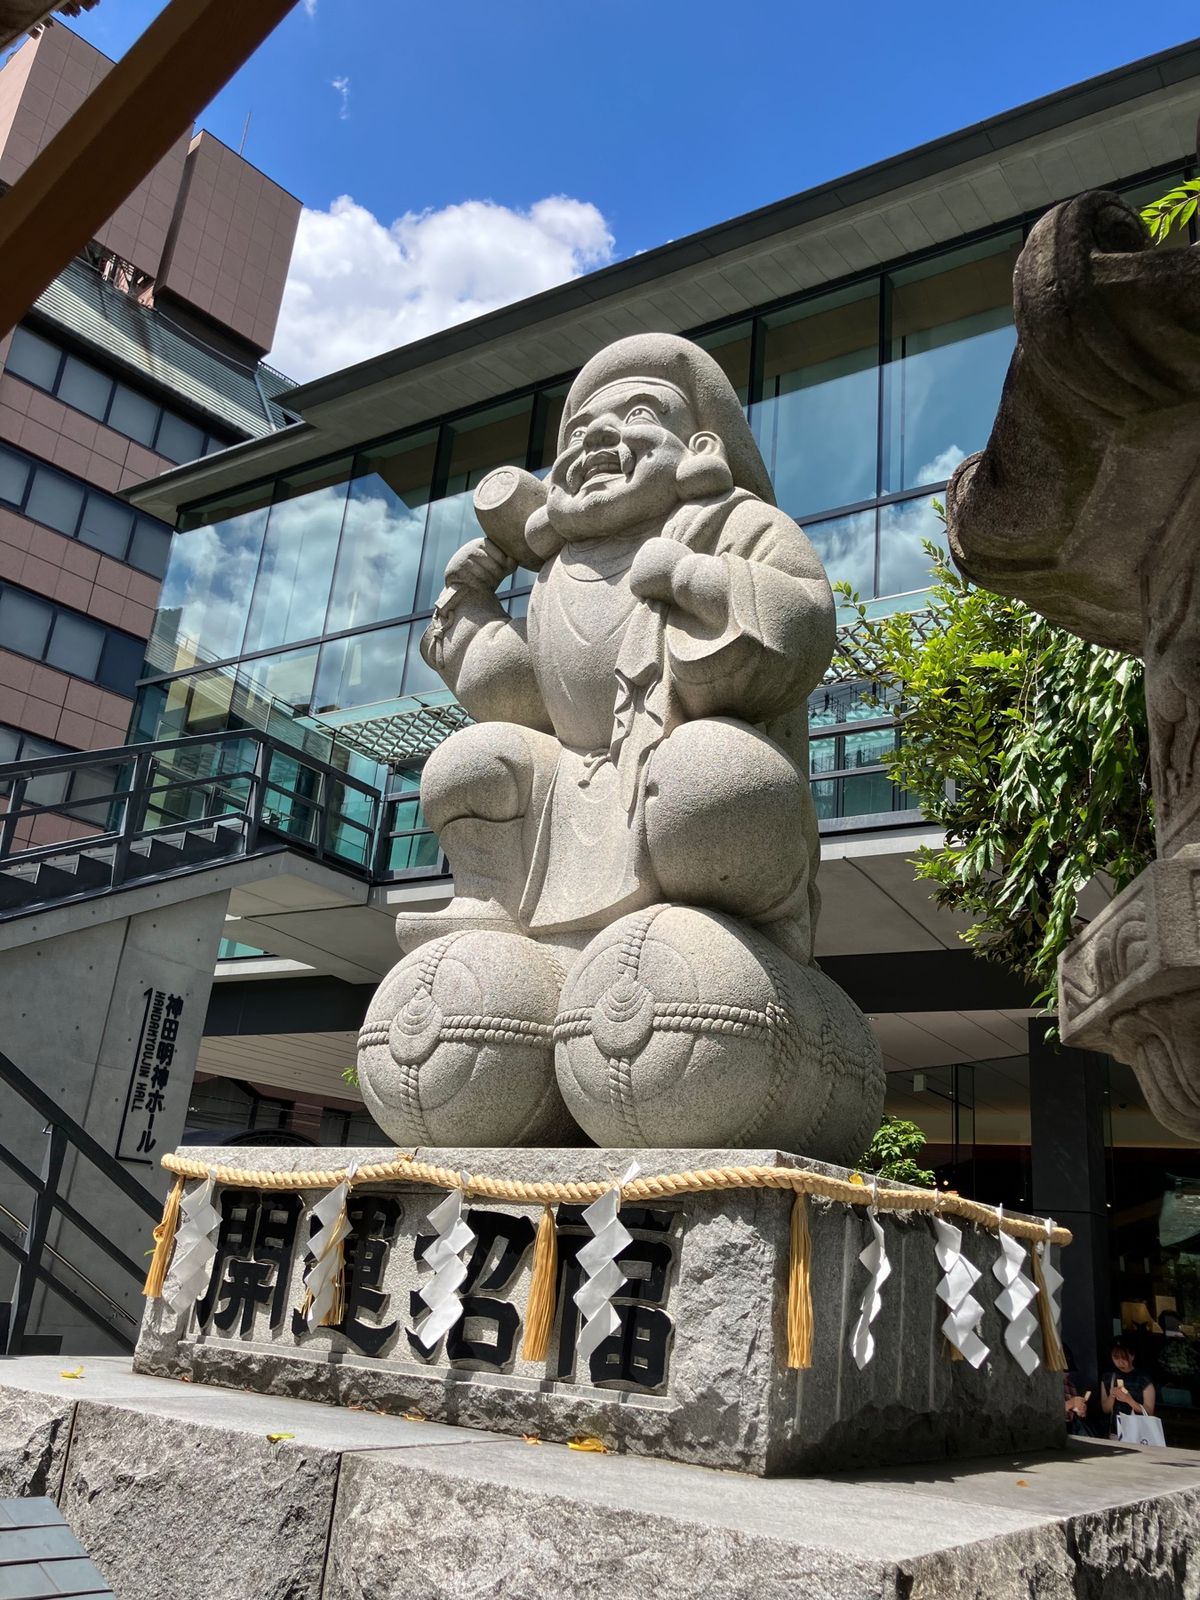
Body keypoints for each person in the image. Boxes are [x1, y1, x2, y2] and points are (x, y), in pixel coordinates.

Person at [1100, 1339, 1156, 1436]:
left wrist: (1129, 1400)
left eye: (1124, 1358)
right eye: (1116, 1358)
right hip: (1115, 1431)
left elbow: (1149, 1412)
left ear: (1132, 1356)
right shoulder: (1108, 1378)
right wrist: (1112, 1395)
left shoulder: (1143, 1379)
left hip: (1138, 1433)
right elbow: (1105, 1409)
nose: (1120, 1362)